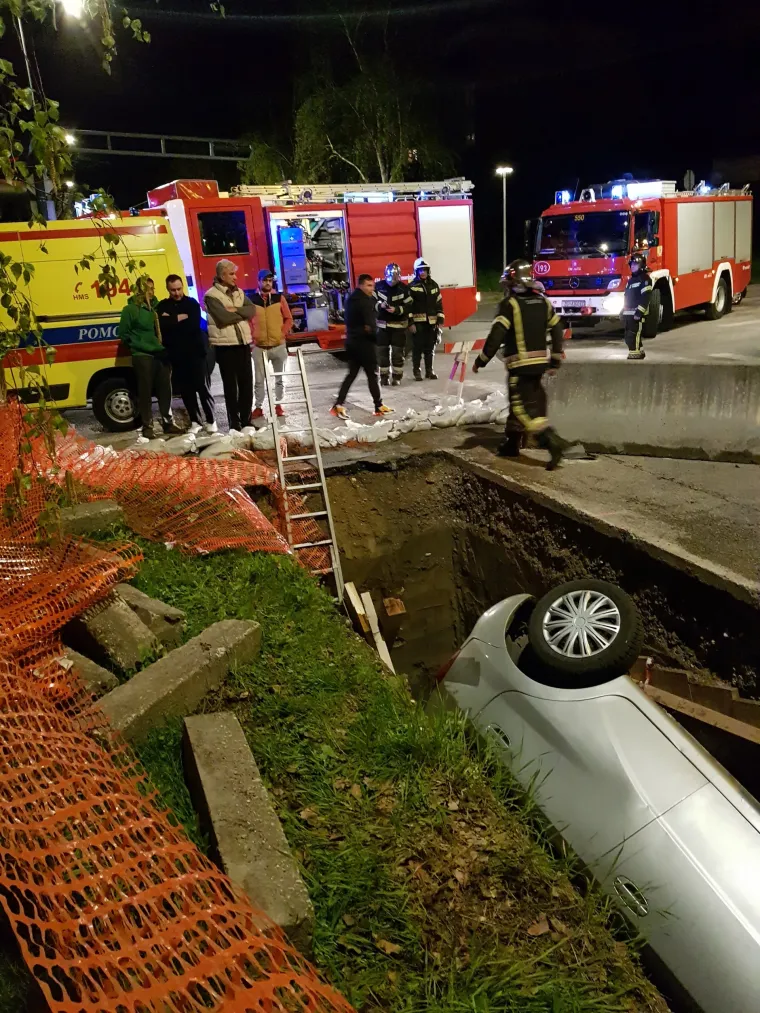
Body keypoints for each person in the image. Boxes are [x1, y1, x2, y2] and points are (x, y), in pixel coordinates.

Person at [473, 259, 567, 471]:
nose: (506, 288)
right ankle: (511, 444)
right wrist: (555, 359)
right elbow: (557, 329)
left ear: (514, 282)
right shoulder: (543, 302)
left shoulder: (510, 305)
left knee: (521, 407)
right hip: (539, 365)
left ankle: (553, 442)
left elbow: (496, 336)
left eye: (507, 284)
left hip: (519, 366)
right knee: (526, 404)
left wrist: (481, 360)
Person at [118, 277, 183, 439]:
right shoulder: (130, 310)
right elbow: (123, 334)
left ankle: (168, 422)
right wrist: (137, 345)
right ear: (139, 290)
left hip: (161, 354)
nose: (151, 292)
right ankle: (148, 426)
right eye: (147, 289)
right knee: (145, 391)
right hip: (143, 355)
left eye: (152, 288)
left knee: (165, 390)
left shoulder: (157, 307)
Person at [157, 275, 217, 435]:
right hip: (177, 356)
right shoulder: (162, 306)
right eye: (173, 290)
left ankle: (211, 420)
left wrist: (171, 320)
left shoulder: (192, 304)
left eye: (178, 289)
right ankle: (195, 421)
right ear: (168, 289)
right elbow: (163, 326)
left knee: (203, 388)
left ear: (182, 286)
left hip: (196, 353)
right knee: (186, 391)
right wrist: (179, 318)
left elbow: (192, 325)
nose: (176, 293)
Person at [330, 274, 394, 421]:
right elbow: (369, 325)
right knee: (373, 374)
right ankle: (378, 405)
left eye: (373, 286)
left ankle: (338, 404)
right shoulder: (364, 301)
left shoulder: (351, 299)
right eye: (369, 286)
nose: (372, 289)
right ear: (361, 285)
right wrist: (377, 338)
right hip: (364, 344)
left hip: (352, 342)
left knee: (351, 374)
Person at [203, 259, 256, 432]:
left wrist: (235, 310)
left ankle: (246, 421)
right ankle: (234, 424)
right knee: (231, 388)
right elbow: (223, 318)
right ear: (222, 275)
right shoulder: (211, 295)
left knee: (246, 385)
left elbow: (252, 310)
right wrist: (241, 314)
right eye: (232, 274)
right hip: (225, 347)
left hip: (243, 344)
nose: (235, 277)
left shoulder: (239, 293)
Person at [250, 268, 294, 420]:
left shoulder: (279, 298)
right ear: (259, 281)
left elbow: (289, 319)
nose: (268, 283)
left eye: (270, 281)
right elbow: (247, 321)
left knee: (279, 379)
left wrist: (281, 334)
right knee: (259, 380)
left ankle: (278, 405)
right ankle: (258, 407)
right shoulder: (251, 300)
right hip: (259, 347)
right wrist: (252, 337)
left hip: (278, 346)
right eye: (265, 280)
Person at [375, 262, 412, 386]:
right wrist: (380, 305)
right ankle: (383, 377)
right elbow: (370, 302)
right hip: (382, 327)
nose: (392, 281)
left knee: (398, 353)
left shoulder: (404, 289)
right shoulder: (378, 287)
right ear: (385, 276)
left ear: (399, 276)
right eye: (390, 278)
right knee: (382, 354)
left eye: (395, 278)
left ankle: (397, 377)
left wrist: (397, 310)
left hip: (398, 327)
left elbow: (409, 306)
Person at [408, 257, 445, 381]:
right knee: (417, 349)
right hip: (418, 324)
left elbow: (439, 304)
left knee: (430, 348)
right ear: (416, 272)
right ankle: (417, 371)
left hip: (432, 323)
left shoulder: (434, 285)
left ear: (428, 271)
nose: (423, 272)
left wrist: (440, 321)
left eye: (425, 270)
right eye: (420, 270)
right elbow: (408, 307)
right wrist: (411, 323)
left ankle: (429, 371)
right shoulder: (412, 287)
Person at [622, 252, 652, 360]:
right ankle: (640, 350)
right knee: (629, 335)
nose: (632, 266)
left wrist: (639, 312)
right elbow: (627, 297)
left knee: (633, 335)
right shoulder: (631, 280)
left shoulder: (645, 279)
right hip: (628, 314)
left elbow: (646, 297)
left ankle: (635, 354)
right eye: (631, 264)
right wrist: (622, 310)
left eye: (635, 264)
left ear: (642, 265)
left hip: (636, 314)